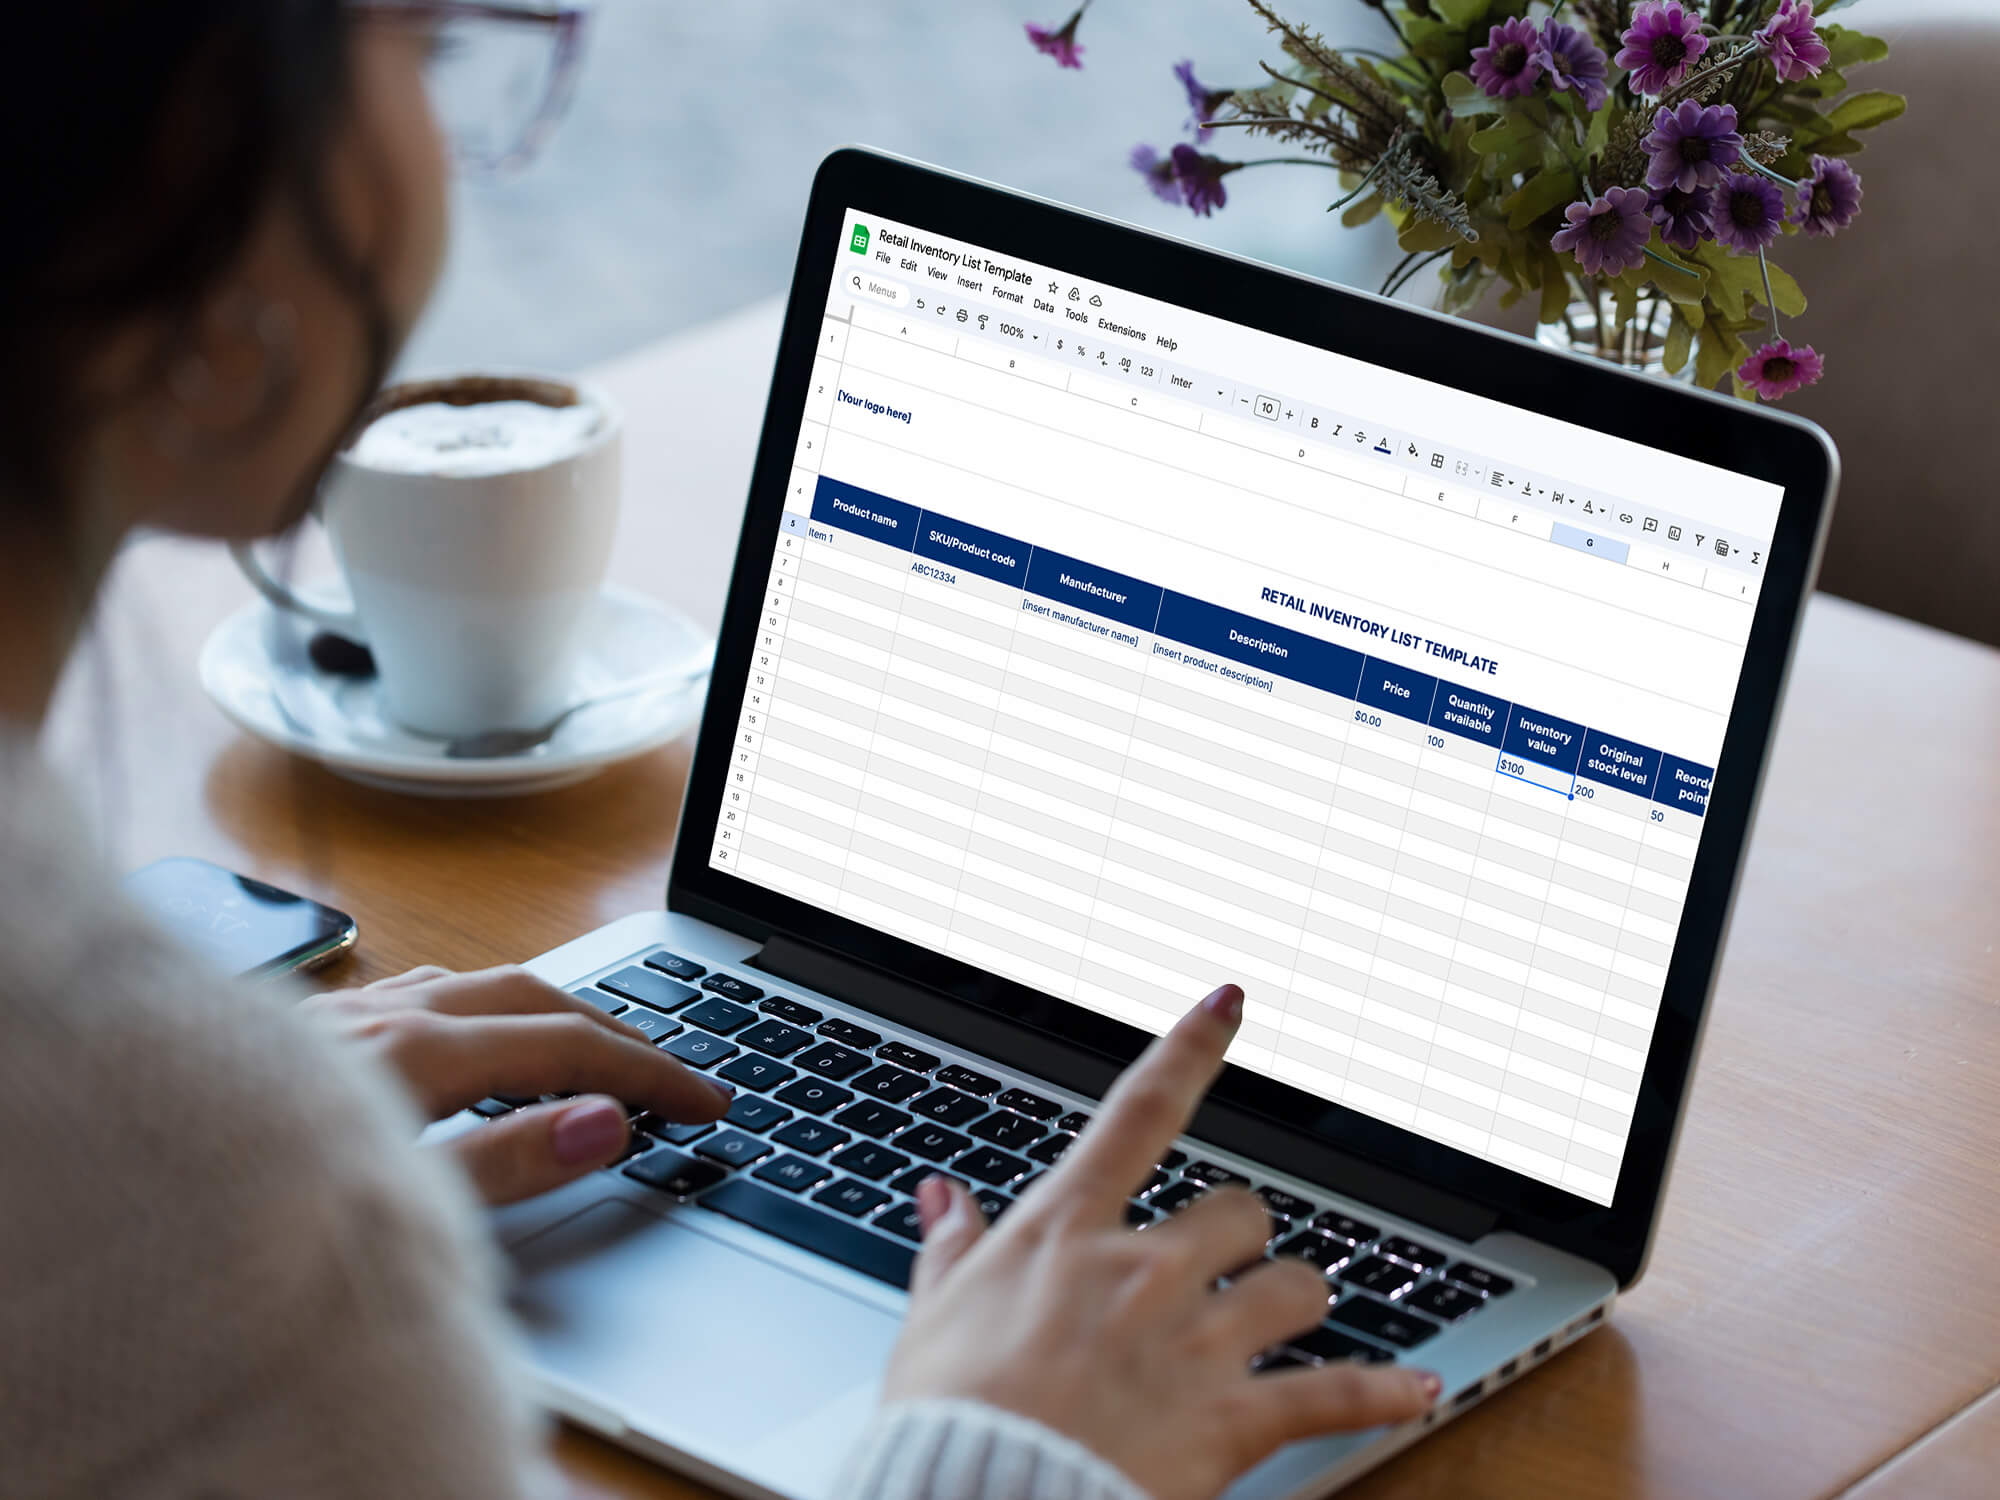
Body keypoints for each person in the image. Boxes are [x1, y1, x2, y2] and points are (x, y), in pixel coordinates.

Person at [0, 6, 1439, 1498]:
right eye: (427, 47)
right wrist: (1006, 1454)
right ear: (182, 155)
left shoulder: (156, 1142)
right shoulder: (200, 1200)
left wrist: (228, 1114)